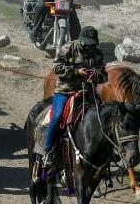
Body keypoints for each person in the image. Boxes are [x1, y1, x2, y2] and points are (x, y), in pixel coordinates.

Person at [43, 26, 107, 170]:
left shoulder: (97, 53)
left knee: (105, 116)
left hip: (88, 92)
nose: (90, 46)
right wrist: (76, 72)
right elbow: (57, 67)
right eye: (88, 43)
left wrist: (94, 75)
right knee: (57, 117)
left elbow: (103, 75)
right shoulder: (69, 47)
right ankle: (48, 151)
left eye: (92, 43)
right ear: (81, 40)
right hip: (65, 91)